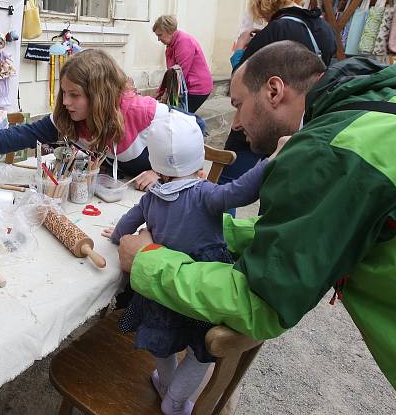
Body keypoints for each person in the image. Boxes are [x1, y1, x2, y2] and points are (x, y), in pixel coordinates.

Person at [117, 41, 396, 415]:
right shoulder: (377, 107)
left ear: (274, 91)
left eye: (237, 105)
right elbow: (300, 238)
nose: (234, 124)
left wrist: (148, 259)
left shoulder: (332, 150)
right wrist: (214, 233)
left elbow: (262, 302)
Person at [103, 112, 274, 415]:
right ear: (199, 163)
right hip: (198, 281)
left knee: (162, 343)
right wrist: (270, 161)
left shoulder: (151, 198)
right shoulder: (204, 192)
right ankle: (176, 401)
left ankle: (165, 384)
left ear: (155, 164)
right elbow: (242, 191)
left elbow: (128, 221)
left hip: (160, 285)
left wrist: (117, 236)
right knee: (202, 351)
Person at [0, 49, 191, 190]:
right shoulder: (70, 117)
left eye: (74, 95)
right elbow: (18, 135)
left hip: (157, 198)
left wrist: (162, 171)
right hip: (112, 195)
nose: (65, 102)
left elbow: (194, 128)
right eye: (64, 93)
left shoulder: (139, 111)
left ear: (99, 95)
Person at [220, 0, 337, 193]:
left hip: (263, 119)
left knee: (227, 181)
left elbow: (243, 83)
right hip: (302, 122)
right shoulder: (326, 31)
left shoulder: (275, 30)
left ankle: (216, 223)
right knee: (280, 183)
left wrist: (239, 50)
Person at [153, 15, 214, 114]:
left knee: (180, 117)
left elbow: (179, 74)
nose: (159, 39)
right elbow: (172, 73)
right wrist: (162, 91)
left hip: (196, 88)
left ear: (169, 31)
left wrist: (166, 93)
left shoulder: (183, 42)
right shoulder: (172, 43)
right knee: (176, 115)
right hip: (184, 85)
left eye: (160, 35)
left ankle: (197, 129)